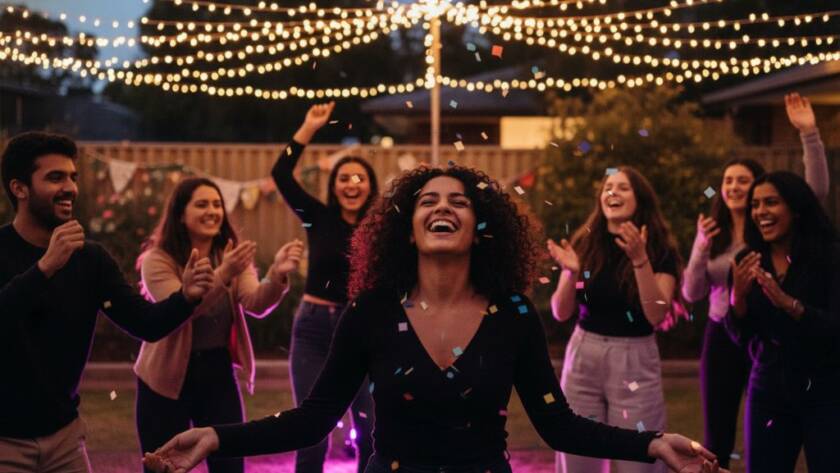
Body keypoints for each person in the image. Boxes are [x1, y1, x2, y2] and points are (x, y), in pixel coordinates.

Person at [143, 165, 725, 473]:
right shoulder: (371, 311)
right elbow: (314, 418)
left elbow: (560, 427)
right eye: (428, 201)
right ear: (407, 227)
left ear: (481, 226)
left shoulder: (514, 315)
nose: (443, 207)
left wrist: (654, 445)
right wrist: (218, 435)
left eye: (459, 201)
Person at [0, 131, 214, 473]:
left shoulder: (90, 259)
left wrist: (185, 298)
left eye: (72, 177)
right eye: (55, 177)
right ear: (19, 188)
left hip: (64, 439)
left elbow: (145, 323)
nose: (69, 187)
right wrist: (44, 268)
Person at [681, 92, 828, 468]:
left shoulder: (787, 243)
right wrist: (702, 249)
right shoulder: (717, 238)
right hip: (725, 332)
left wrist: (809, 134)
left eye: (742, 180)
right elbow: (692, 292)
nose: (732, 186)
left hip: (784, 349)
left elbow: (815, 193)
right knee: (719, 431)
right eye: (727, 180)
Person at [134, 177, 304, 473]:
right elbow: (179, 309)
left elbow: (255, 302)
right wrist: (225, 271)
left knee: (229, 464)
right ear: (180, 215)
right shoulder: (156, 259)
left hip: (217, 370)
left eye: (216, 204)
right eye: (201, 204)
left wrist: (277, 274)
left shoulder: (230, 255)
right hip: (164, 377)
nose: (212, 211)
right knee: (161, 465)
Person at [548, 167, 682, 473]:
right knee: (577, 454)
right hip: (584, 354)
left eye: (623, 188)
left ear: (640, 199)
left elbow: (656, 314)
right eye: (608, 187)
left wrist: (639, 259)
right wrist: (570, 271)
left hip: (633, 359)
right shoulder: (586, 241)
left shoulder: (658, 247)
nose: (613, 193)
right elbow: (560, 311)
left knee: (638, 460)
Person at [272, 102, 379, 473]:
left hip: (363, 332)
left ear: (371, 185)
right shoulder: (318, 218)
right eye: (344, 178)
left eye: (359, 178)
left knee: (370, 431)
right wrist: (307, 129)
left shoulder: (382, 228)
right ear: (333, 186)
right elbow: (281, 172)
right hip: (314, 329)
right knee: (311, 431)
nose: (351, 184)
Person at [727, 171, 839, 473]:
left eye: (771, 203)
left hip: (826, 388)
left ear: (796, 207)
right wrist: (737, 299)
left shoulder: (828, 256)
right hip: (769, 389)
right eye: (755, 204)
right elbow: (742, 336)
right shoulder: (748, 261)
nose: (760, 212)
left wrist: (790, 305)